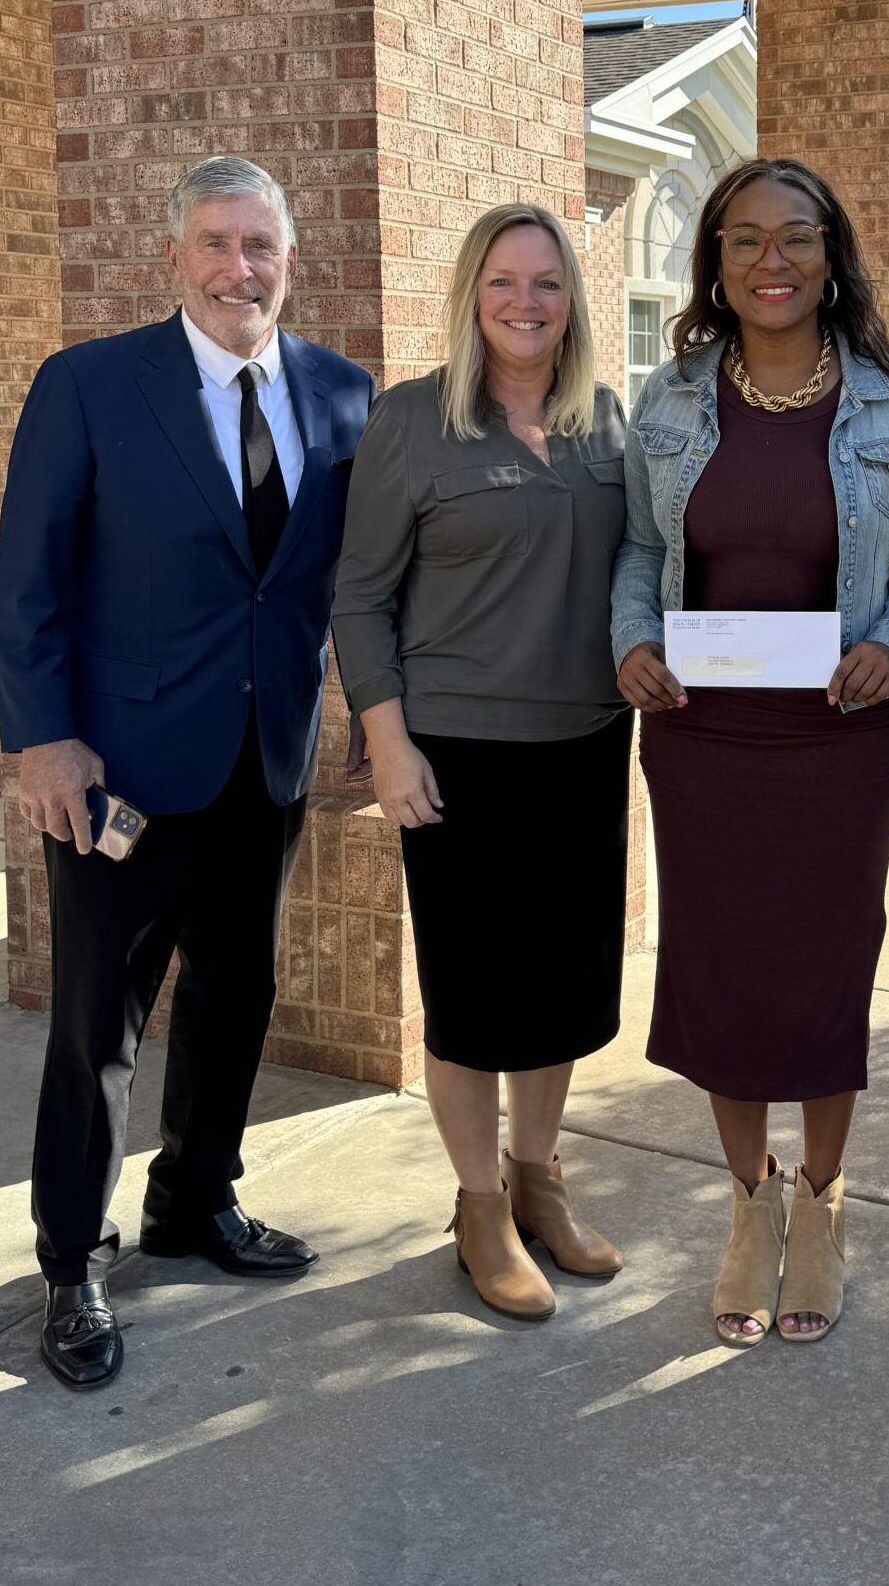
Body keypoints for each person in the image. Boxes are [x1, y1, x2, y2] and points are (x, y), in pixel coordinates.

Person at [0, 157, 374, 1391]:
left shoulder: (341, 394)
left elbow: (348, 577)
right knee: (98, 1023)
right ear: (173, 257)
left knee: (238, 990)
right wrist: (43, 738)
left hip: (267, 762)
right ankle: (70, 1258)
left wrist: (375, 703)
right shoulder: (90, 385)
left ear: (290, 258)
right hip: (120, 771)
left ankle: (195, 1198)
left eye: (258, 245)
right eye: (214, 242)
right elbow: (29, 578)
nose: (236, 268)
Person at [610, 157, 889, 1347]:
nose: (772, 260)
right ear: (714, 259)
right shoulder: (669, 399)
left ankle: (822, 1200)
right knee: (721, 961)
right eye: (745, 238)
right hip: (701, 732)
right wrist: (630, 639)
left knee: (825, 962)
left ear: (829, 255)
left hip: (838, 734)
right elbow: (634, 548)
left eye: (796, 237)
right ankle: (748, 1203)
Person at [332, 203, 630, 1321]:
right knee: (471, 996)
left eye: (546, 282)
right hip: (457, 752)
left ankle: (538, 1179)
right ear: (471, 294)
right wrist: (387, 740)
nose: (525, 302)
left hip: (587, 743)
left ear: (572, 300)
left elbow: (646, 565)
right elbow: (359, 596)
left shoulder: (606, 421)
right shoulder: (412, 420)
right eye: (503, 280)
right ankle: (477, 1207)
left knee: (560, 989)